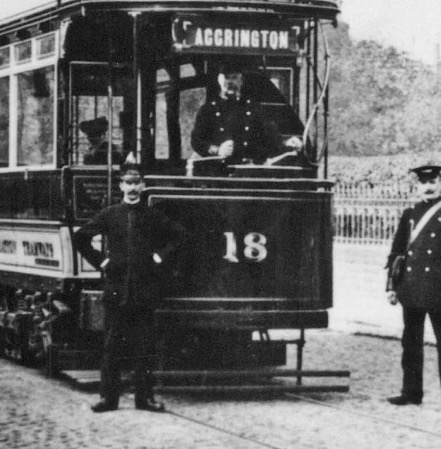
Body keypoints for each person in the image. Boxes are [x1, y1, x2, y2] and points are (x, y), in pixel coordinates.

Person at [74, 155, 185, 413]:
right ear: (121, 186)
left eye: (137, 182)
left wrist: (159, 257)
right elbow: (81, 238)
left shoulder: (152, 215)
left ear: (143, 185)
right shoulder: (110, 214)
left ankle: (144, 399)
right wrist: (102, 263)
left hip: (144, 292)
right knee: (111, 347)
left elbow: (180, 236)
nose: (132, 187)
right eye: (127, 182)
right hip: (116, 292)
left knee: (144, 347)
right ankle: (108, 399)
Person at [385, 165, 441, 410]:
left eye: (433, 181)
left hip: (439, 291)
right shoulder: (409, 213)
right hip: (411, 289)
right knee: (410, 344)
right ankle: (411, 392)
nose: (429, 186)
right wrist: (391, 286)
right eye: (424, 182)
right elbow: (397, 251)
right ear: (417, 186)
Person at [190, 63, 302, 165]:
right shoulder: (207, 110)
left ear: (241, 81)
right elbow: (197, 141)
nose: (230, 82)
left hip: (247, 171)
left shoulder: (254, 109)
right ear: (219, 80)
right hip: (218, 173)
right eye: (226, 77)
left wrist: (286, 143)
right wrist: (217, 150)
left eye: (234, 77)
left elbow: (271, 138)